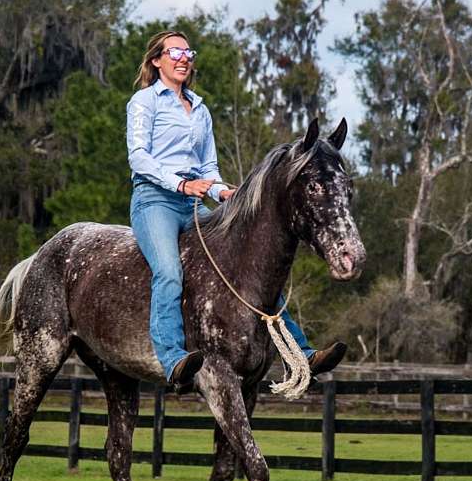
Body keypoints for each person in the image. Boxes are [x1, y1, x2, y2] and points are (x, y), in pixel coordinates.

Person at [126, 30, 346, 392]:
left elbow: (207, 167)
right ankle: (172, 360)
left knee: (246, 267)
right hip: (154, 202)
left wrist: (221, 190)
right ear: (156, 60)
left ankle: (301, 352)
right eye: (176, 52)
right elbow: (139, 158)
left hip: (194, 205)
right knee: (168, 272)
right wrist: (180, 184)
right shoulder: (144, 102)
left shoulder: (199, 109)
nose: (184, 59)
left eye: (188, 53)